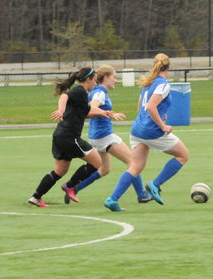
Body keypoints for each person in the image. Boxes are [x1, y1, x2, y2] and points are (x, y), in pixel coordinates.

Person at [103, 53, 190, 212]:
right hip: (152, 131)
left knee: (135, 167)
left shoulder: (147, 83)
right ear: (169, 67)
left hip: (137, 129)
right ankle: (155, 185)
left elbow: (141, 107)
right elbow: (150, 106)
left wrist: (153, 117)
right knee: (183, 155)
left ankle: (112, 199)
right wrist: (162, 125)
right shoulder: (163, 85)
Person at [64, 65, 153, 204]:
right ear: (106, 78)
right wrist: (110, 114)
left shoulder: (96, 91)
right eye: (114, 77)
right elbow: (92, 108)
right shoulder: (100, 93)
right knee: (133, 162)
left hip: (96, 136)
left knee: (104, 169)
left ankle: (75, 188)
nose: (116, 80)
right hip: (104, 136)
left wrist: (106, 114)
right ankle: (142, 194)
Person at [27, 67, 110, 207]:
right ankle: (70, 186)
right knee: (97, 162)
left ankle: (35, 197)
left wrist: (103, 113)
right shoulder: (80, 91)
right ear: (88, 79)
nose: (95, 84)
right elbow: (64, 96)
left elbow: (84, 113)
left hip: (60, 135)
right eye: (94, 81)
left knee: (59, 171)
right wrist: (61, 110)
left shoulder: (82, 94)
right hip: (69, 137)